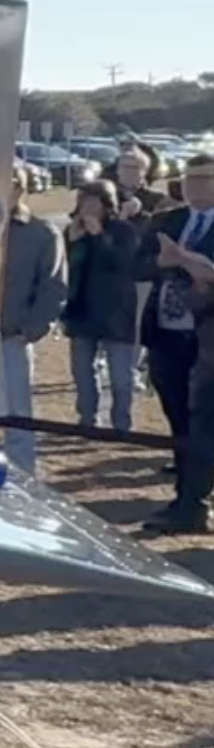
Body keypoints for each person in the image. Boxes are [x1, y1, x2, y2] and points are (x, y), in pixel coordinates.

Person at [146, 154, 214, 537]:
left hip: (206, 338)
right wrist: (167, 263)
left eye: (203, 178)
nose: (193, 184)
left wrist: (194, 268)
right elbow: (137, 264)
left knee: (205, 421)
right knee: (180, 420)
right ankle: (185, 496)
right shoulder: (166, 220)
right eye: (189, 177)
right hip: (166, 333)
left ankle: (194, 503)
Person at [0, 168, 67, 477]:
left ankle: (22, 476)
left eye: (9, 184)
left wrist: (31, 330)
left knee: (18, 412)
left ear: (21, 189)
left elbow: (53, 286)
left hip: (13, 337)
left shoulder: (42, 233)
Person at [62, 182, 145, 433]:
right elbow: (63, 268)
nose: (87, 207)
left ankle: (122, 423)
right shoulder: (73, 230)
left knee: (121, 376)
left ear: (107, 204)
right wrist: (71, 243)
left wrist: (99, 236)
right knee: (82, 372)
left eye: (93, 201)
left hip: (115, 311)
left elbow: (123, 263)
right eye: (83, 201)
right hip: (81, 311)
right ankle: (87, 419)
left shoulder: (124, 231)